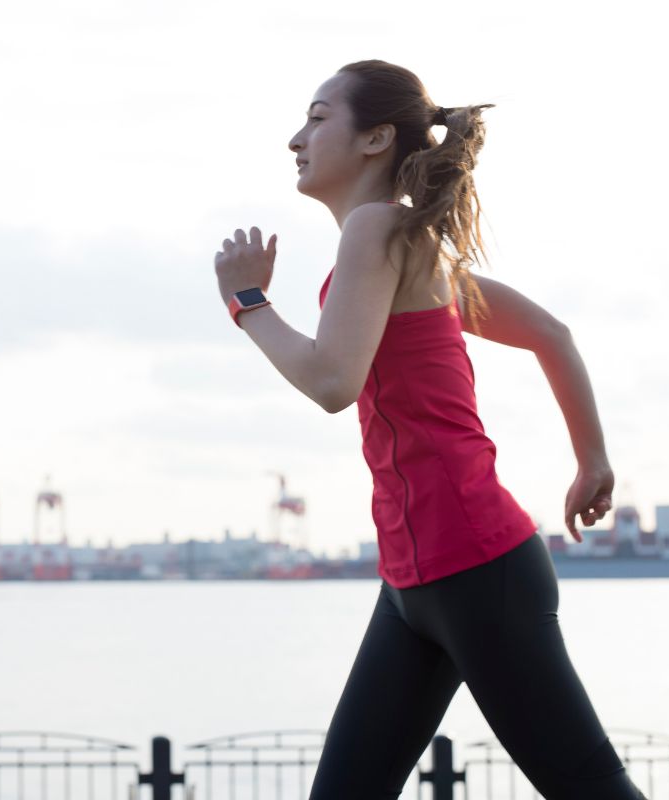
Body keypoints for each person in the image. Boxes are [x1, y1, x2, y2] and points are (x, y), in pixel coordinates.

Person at [212, 59, 646, 799]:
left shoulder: (380, 230)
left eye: (318, 118)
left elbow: (331, 382)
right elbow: (552, 331)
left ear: (377, 138)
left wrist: (248, 302)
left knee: (592, 789)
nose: (297, 138)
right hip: (414, 583)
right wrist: (591, 461)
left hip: (477, 568)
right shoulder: (416, 248)